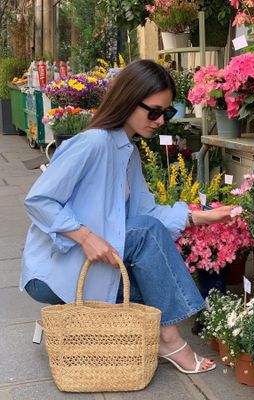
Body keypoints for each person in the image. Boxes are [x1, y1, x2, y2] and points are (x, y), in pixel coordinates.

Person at [20, 59, 233, 375]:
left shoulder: (126, 150)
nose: (160, 121)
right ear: (129, 100)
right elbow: (38, 200)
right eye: (154, 112)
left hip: (91, 258)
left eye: (167, 113)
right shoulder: (94, 142)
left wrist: (201, 217)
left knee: (150, 277)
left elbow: (143, 212)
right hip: (55, 267)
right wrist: (85, 236)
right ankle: (169, 339)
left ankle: (81, 322)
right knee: (147, 238)